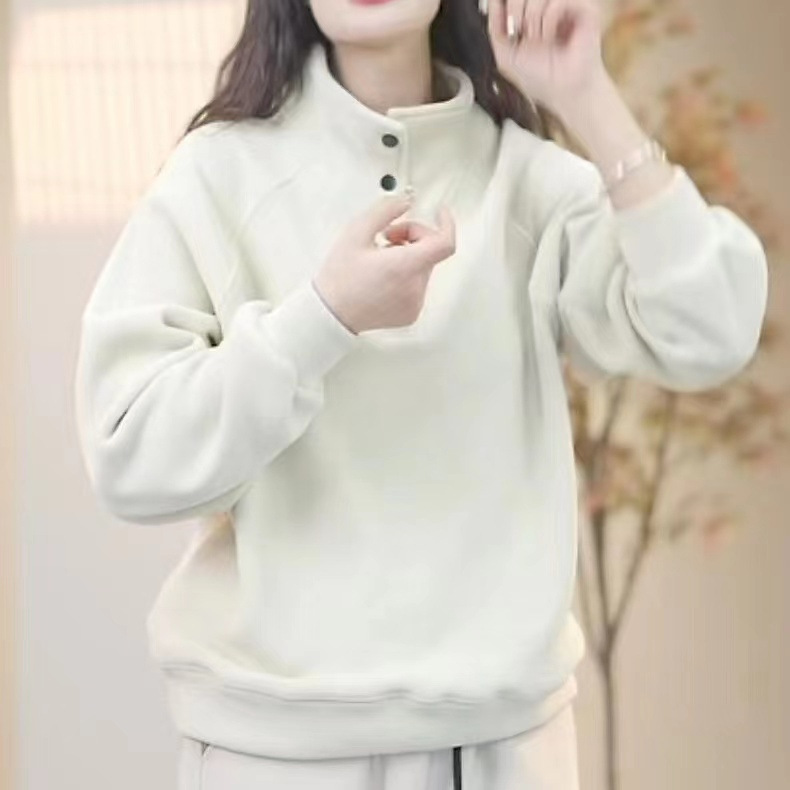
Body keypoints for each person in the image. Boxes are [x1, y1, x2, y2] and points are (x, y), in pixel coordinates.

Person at [73, 0, 768, 788]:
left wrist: (587, 96)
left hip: (507, 750)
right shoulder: (216, 176)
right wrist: (323, 317)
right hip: (278, 754)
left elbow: (711, 329)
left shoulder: (530, 182)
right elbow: (130, 455)